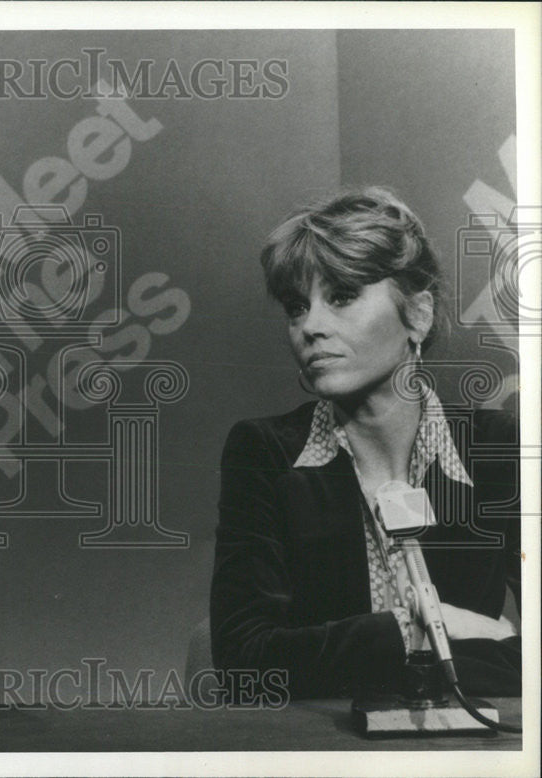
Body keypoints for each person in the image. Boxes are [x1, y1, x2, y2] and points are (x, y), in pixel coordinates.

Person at [189, 187, 520, 700]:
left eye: (342, 296)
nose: (311, 327)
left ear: (418, 314)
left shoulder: (499, 446)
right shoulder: (264, 453)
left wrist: (362, 658)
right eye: (297, 307)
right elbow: (246, 665)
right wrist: (426, 628)